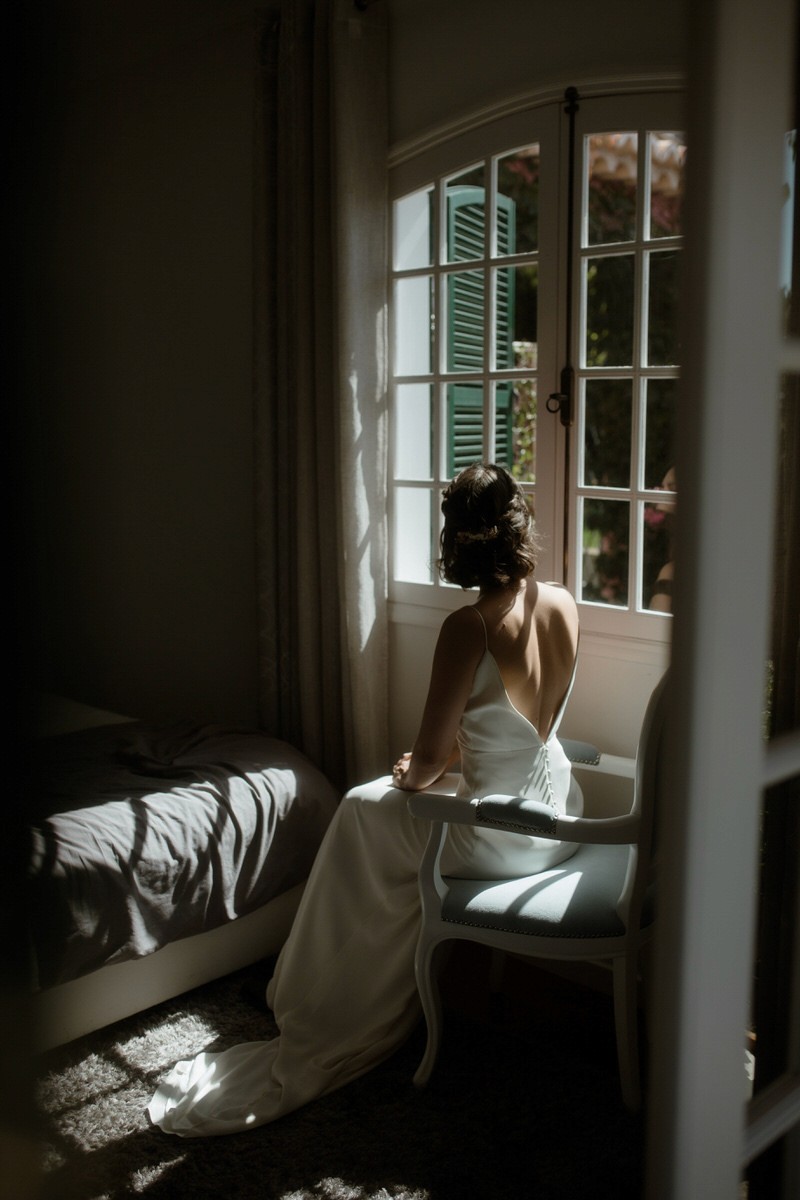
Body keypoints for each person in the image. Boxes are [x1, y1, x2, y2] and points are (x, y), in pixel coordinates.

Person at [147, 463, 582, 1137]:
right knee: (375, 824)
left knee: (357, 809)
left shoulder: (469, 626)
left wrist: (412, 772)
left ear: (458, 540)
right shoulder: (561, 601)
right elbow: (509, 729)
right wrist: (443, 764)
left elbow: (428, 761)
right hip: (558, 815)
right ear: (519, 526)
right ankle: (345, 987)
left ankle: (319, 1005)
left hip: (498, 835)